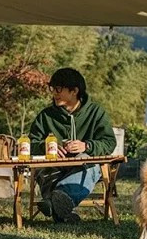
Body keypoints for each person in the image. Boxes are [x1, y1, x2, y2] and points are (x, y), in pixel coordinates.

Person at [30, 68, 116, 222]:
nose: (54, 93)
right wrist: (48, 147)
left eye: (58, 89)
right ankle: (62, 209)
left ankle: (53, 201)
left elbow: (109, 142)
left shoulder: (96, 113)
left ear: (74, 91)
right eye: (52, 89)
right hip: (53, 168)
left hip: (82, 166)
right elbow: (30, 143)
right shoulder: (45, 116)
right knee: (43, 168)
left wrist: (87, 146)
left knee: (89, 162)